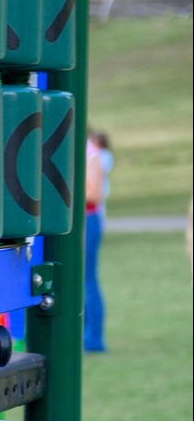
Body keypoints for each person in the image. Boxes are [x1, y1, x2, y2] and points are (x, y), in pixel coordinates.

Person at [84, 128, 112, 353]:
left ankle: (93, 338)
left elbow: (94, 194)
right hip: (76, 221)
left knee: (87, 279)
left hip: (87, 220)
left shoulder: (91, 153)